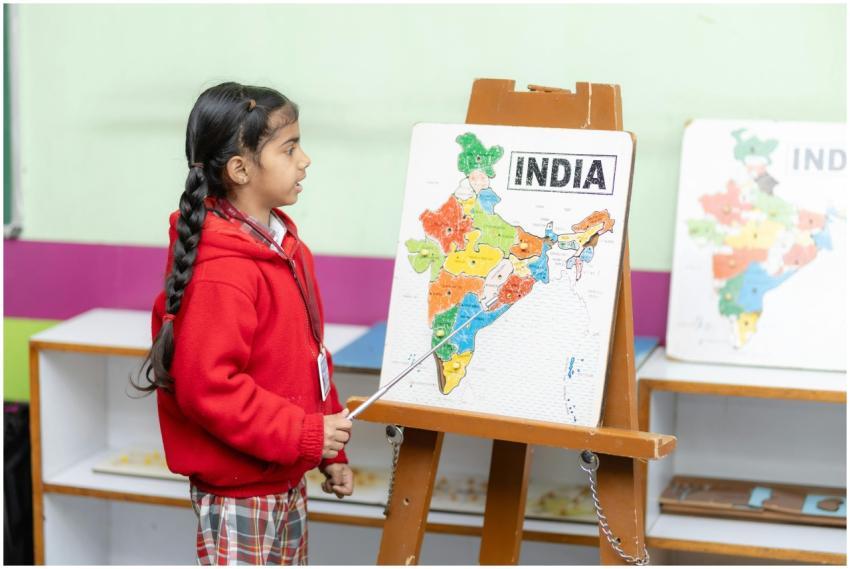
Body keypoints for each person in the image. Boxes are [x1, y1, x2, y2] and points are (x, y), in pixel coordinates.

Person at [133, 81, 353, 565]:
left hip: (285, 474)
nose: (305, 160)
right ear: (239, 169)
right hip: (239, 493)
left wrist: (328, 451)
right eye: (289, 148)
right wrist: (306, 435)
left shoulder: (289, 250)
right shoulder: (223, 272)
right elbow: (211, 390)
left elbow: (310, 360)